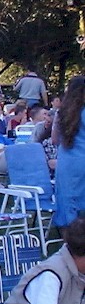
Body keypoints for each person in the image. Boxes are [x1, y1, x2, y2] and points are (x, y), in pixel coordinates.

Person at [53, 75, 85, 228]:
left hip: (67, 161)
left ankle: (70, 235)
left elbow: (54, 139)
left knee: (67, 198)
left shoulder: (61, 113)